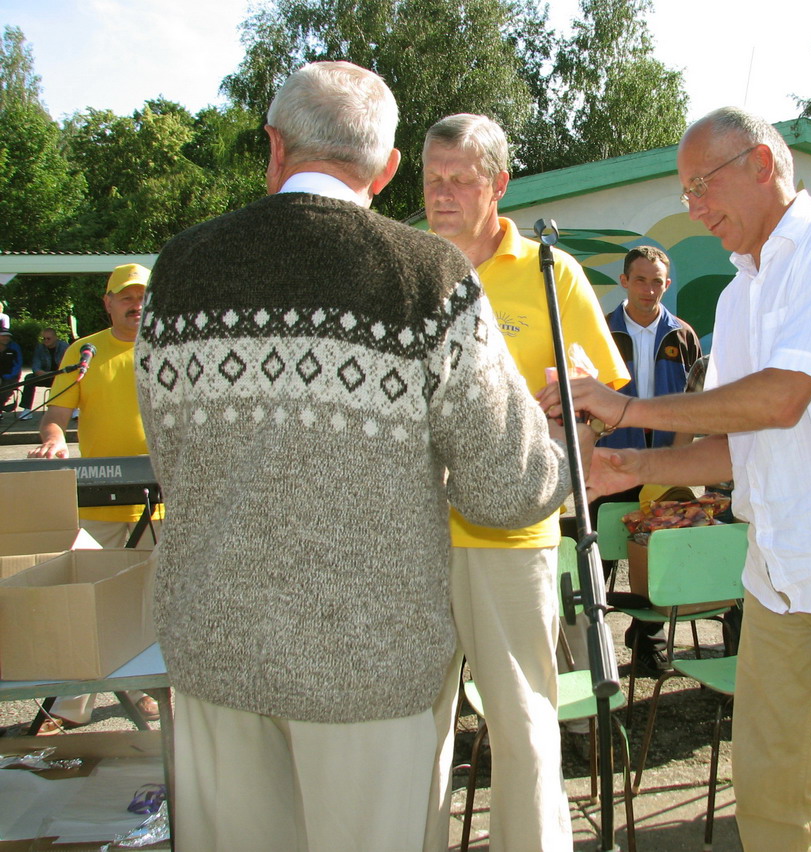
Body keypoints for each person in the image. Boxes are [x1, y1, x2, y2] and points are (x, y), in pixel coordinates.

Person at [134, 63, 575, 852]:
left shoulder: (179, 269)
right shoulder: (427, 276)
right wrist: (564, 453)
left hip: (215, 651)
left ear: (275, 146)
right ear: (389, 167)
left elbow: (170, 451)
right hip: (372, 668)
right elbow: (507, 489)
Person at [543, 106, 811, 852]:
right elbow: (738, 445)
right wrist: (629, 468)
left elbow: (782, 398)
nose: (692, 207)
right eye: (685, 191)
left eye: (701, 185)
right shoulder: (737, 295)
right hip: (776, 578)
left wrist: (627, 405)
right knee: (768, 807)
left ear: (761, 164)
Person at [420, 112, 628, 852]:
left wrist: (564, 452)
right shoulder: (404, 267)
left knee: (524, 723)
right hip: (405, 534)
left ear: (499, 184)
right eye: (431, 178)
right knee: (412, 730)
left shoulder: (551, 271)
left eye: (460, 179)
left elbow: (597, 399)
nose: (441, 193)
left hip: (511, 535)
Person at [25, 264, 161, 731]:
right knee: (89, 601)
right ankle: (71, 706)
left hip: (162, 500)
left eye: (143, 296)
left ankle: (143, 690)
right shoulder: (84, 352)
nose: (136, 305)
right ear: (108, 302)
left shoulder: (173, 349)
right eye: (126, 297)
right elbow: (56, 415)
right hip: (99, 503)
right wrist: (54, 440)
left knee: (151, 601)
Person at [594, 245, 702, 672]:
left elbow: (695, 402)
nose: (648, 289)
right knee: (598, 558)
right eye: (640, 279)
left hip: (664, 465)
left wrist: (678, 459)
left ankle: (647, 644)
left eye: (657, 281)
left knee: (656, 557)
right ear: (624, 281)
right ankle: (590, 647)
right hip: (611, 464)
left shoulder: (683, 336)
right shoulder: (601, 330)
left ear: (667, 284)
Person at [17, 327, 69, 419]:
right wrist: (40, 373)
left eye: (48, 338)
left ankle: (73, 409)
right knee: (29, 378)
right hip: (45, 376)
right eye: (43, 338)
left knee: (73, 379)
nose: (46, 341)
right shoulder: (40, 348)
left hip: (61, 376)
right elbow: (36, 365)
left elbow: (67, 366)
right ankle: (27, 410)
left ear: (55, 338)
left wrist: (53, 373)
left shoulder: (65, 347)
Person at [0, 328, 21, 417]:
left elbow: (18, 364)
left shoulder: (14, 347)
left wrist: (9, 376)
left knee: (5, 388)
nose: (6, 338)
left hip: (11, 377)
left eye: (8, 336)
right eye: (3, 336)